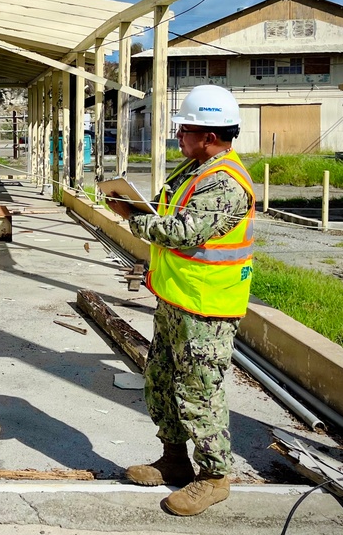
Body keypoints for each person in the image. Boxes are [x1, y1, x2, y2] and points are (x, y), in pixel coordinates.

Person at [104, 84, 255, 517]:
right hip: (178, 300)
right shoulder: (194, 170)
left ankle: (213, 477)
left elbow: (184, 232)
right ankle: (174, 460)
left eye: (185, 130)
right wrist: (136, 206)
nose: (178, 137)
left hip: (208, 309)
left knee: (199, 391)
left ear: (208, 135)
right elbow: (167, 215)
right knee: (163, 382)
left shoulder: (225, 183)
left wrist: (133, 219)